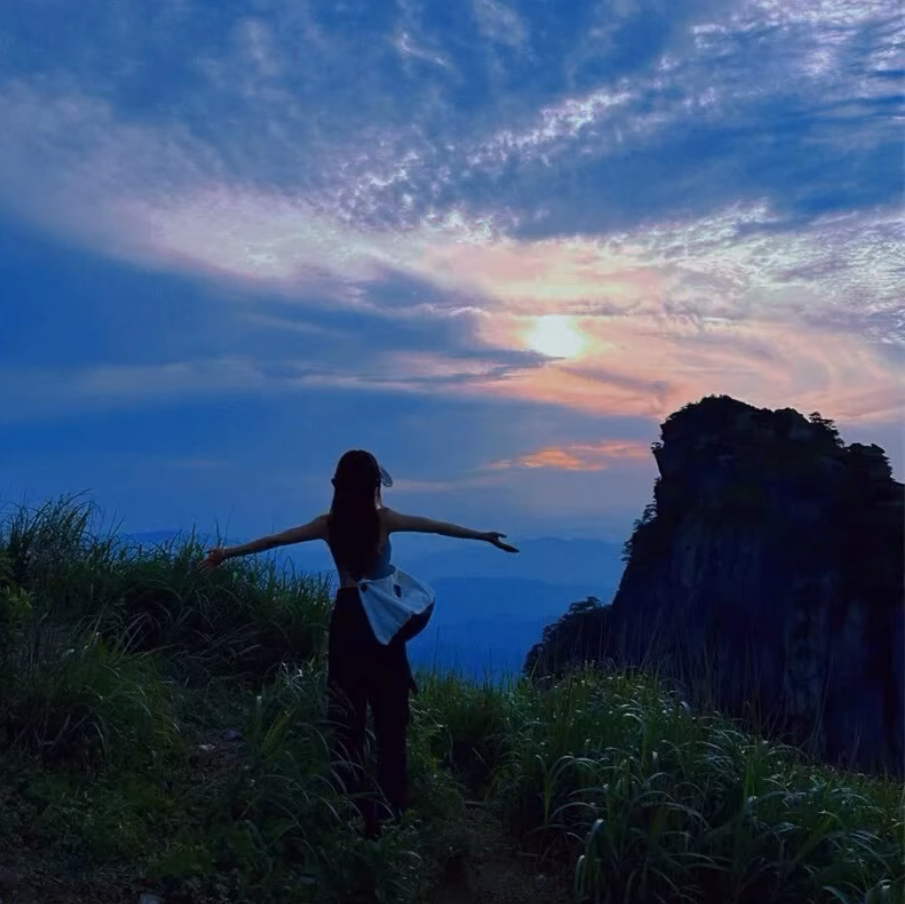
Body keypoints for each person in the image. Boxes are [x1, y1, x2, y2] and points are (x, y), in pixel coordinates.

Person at [202, 449, 518, 837]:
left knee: (346, 720)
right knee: (390, 720)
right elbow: (435, 526)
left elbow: (276, 540)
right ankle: (393, 816)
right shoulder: (383, 520)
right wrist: (483, 536)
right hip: (381, 624)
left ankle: (351, 813)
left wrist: (226, 554)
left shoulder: (329, 524)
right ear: (372, 486)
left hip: (347, 621)